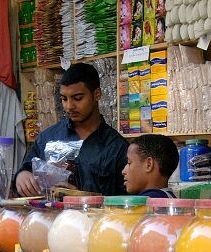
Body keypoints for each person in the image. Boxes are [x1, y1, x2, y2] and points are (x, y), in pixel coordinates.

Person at [15, 63, 129, 196]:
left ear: (97, 94)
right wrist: (21, 176)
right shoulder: (48, 138)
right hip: (52, 216)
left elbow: (125, 205)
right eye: (64, 99)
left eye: (78, 98)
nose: (69, 106)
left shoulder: (117, 148)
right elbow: (26, 168)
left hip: (94, 216)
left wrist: (82, 199)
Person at [122, 134, 179, 198]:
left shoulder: (147, 202)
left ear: (149, 164)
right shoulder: (169, 197)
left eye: (129, 163)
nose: (123, 171)